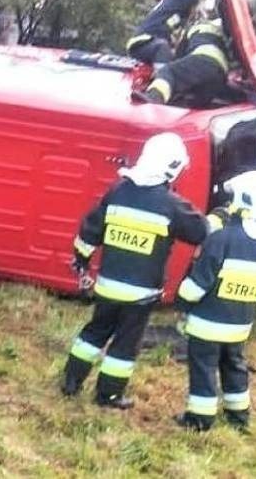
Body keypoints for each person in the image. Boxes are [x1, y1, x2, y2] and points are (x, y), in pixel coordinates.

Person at [62, 132, 208, 409]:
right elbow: (200, 231)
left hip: (107, 285)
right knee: (124, 346)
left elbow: (90, 229)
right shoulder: (172, 205)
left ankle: (71, 381)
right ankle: (109, 395)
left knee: (94, 332)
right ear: (173, 167)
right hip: (141, 294)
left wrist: (81, 259)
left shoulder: (117, 192)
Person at [174, 170, 256, 431]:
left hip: (207, 323)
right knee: (235, 366)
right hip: (240, 327)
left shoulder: (221, 239)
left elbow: (198, 284)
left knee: (204, 368)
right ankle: (238, 416)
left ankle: (199, 419)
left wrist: (182, 304)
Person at [126, 0, 226, 66]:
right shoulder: (177, 1)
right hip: (141, 43)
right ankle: (162, 78)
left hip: (151, 48)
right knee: (162, 49)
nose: (196, 11)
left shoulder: (181, 17)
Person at [135, 16, 233, 107]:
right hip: (221, 72)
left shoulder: (194, 28)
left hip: (204, 59)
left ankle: (154, 96)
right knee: (193, 102)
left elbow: (178, 58)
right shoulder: (220, 35)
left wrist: (159, 76)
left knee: (168, 71)